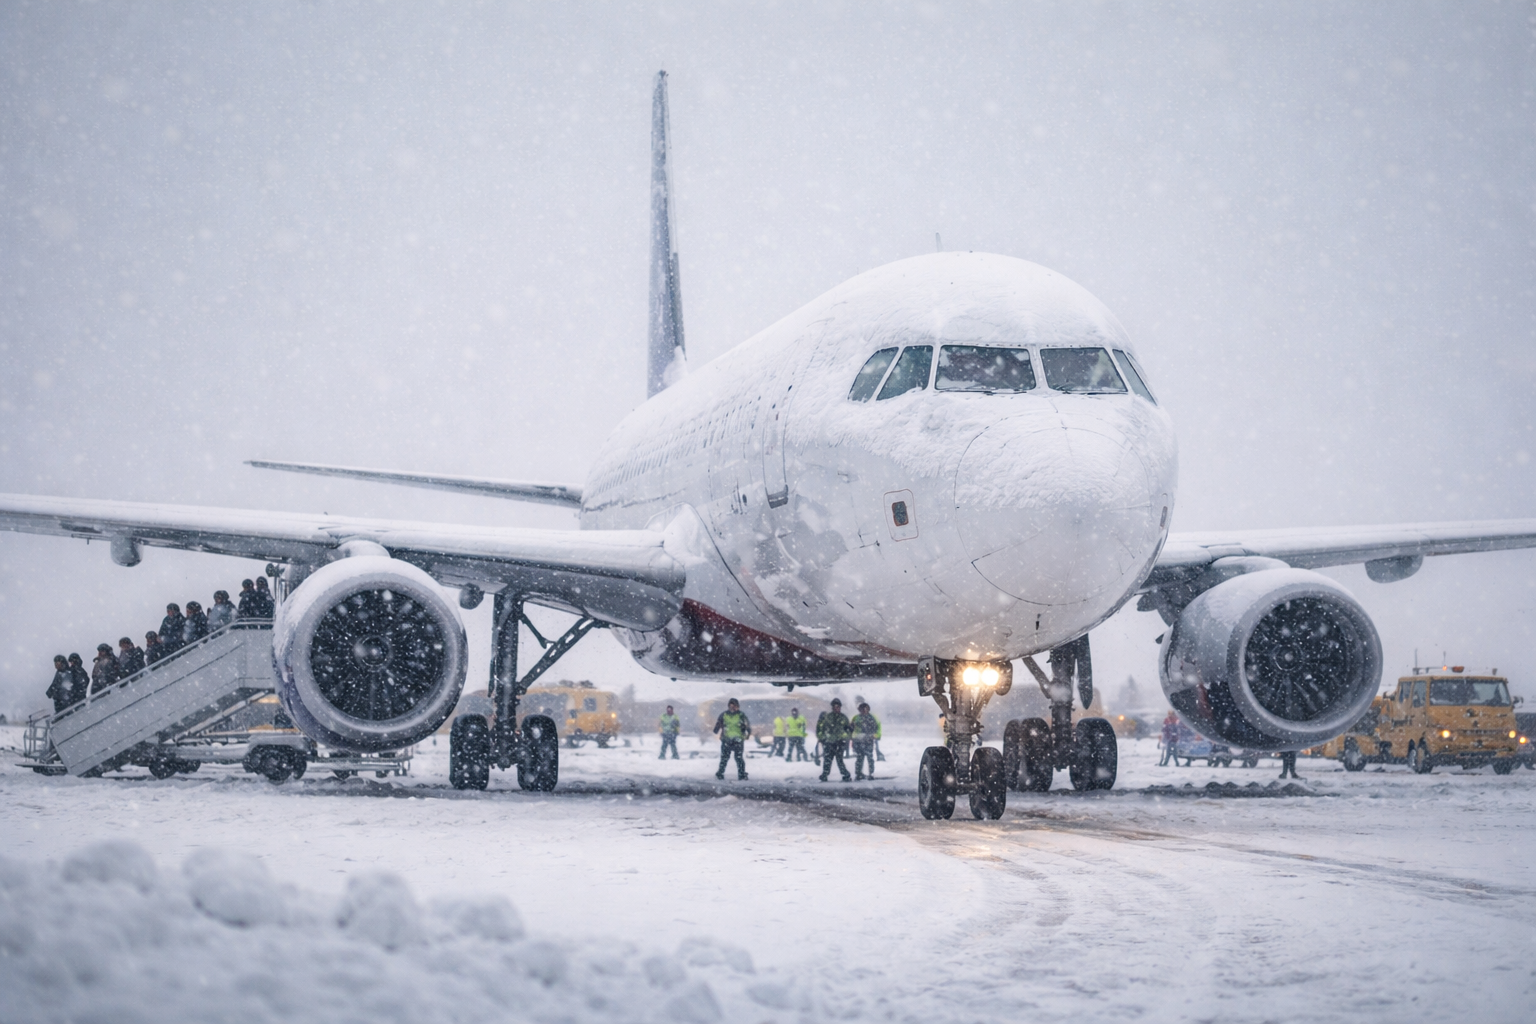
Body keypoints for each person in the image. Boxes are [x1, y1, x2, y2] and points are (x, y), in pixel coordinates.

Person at [713, 698, 750, 781]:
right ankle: (741, 774)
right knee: (738, 758)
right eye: (732, 706)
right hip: (737, 740)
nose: (733, 708)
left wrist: (716, 730)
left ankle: (720, 773)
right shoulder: (741, 715)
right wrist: (748, 733)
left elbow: (718, 725)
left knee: (725, 758)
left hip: (727, 740)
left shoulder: (724, 715)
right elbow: (747, 725)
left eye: (734, 706)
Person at [816, 698, 853, 782]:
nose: (836, 708)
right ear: (832, 707)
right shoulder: (828, 717)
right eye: (835, 707)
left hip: (840, 742)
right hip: (829, 742)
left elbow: (848, 730)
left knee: (839, 760)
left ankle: (845, 774)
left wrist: (845, 739)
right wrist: (823, 739)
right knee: (827, 759)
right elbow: (822, 729)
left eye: (838, 707)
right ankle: (825, 774)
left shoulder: (844, 718)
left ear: (840, 707)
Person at [850, 702, 880, 780]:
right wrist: (852, 737)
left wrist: (875, 735)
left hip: (868, 741)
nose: (863, 711)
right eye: (862, 709)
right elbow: (851, 728)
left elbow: (877, 728)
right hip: (859, 741)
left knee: (869, 758)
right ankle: (858, 773)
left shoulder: (872, 718)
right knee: (860, 758)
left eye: (865, 709)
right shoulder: (856, 718)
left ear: (868, 709)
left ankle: (871, 773)